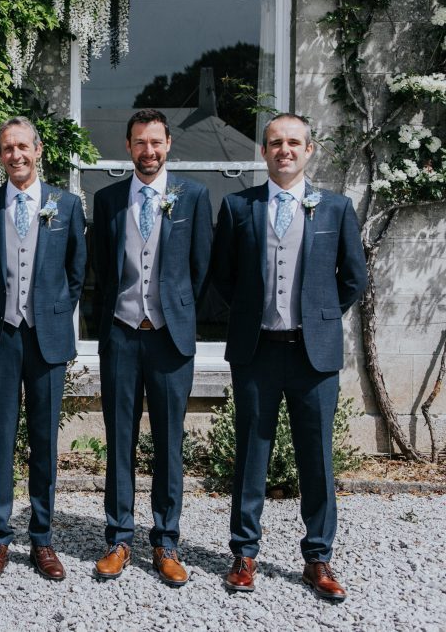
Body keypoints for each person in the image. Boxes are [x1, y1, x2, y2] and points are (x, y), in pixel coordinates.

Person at [211, 112, 366, 601]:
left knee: (316, 460)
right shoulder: (239, 206)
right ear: (263, 152)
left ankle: (318, 557)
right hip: (257, 353)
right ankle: (244, 553)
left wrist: (320, 317)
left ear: (309, 150)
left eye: (294, 143)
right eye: (276, 142)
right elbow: (223, 276)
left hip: (312, 355)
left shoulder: (336, 208)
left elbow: (353, 279)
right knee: (251, 456)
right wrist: (253, 312)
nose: (285, 150)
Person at [92, 109, 212, 586]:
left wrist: (177, 310)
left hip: (169, 337)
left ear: (169, 145)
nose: (149, 151)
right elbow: (102, 268)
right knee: (119, 439)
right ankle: (119, 538)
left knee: (169, 442)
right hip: (121, 334)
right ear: (128, 147)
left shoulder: (194, 197)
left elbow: (201, 268)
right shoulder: (107, 200)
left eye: (156, 142)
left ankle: (165, 541)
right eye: (140, 142)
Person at [0, 117, 86, 581]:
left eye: (22, 147)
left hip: (47, 337)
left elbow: (76, 272)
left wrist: (52, 312)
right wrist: (3, 312)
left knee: (43, 440)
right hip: (2, 335)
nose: (15, 155)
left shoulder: (67, 205)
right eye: (6, 149)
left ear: (38, 150)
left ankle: (42, 539)